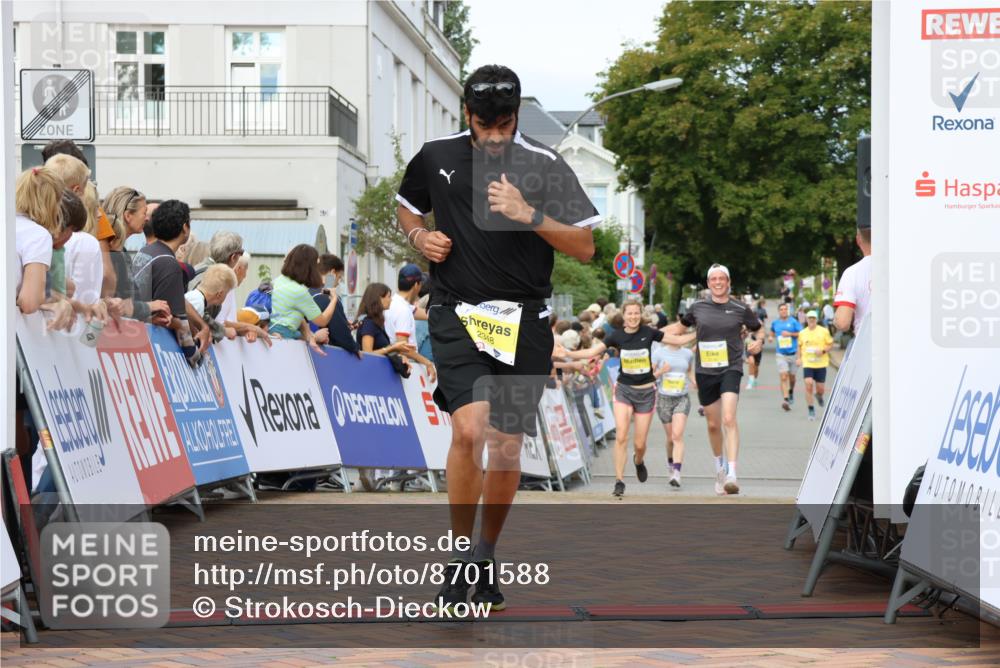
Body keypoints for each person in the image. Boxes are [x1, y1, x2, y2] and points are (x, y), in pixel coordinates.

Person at [396, 64, 599, 611]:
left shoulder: (544, 163)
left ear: (516, 115)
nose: (494, 136)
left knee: (506, 446)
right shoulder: (436, 155)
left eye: (504, 125)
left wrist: (527, 213)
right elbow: (408, 205)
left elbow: (584, 246)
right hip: (456, 314)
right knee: (469, 429)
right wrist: (419, 235)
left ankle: (485, 555)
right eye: (485, 126)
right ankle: (461, 556)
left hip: (524, 322)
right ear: (467, 115)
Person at [564, 300, 693, 497]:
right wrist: (566, 353)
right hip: (624, 390)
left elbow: (677, 340)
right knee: (622, 435)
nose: (632, 317)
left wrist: (704, 333)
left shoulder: (649, 333)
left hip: (646, 393)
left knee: (639, 444)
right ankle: (619, 481)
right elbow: (592, 352)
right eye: (629, 313)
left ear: (640, 314)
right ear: (623, 316)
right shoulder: (616, 335)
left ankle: (638, 461)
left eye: (636, 313)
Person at [663, 264, 763, 496]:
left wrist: (759, 341)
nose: (718, 282)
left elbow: (758, 329)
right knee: (713, 424)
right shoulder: (697, 307)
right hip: (705, 371)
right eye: (714, 279)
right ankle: (719, 467)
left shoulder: (740, 308)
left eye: (722, 279)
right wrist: (650, 333)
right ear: (708, 284)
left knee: (729, 418)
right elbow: (678, 328)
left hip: (731, 367)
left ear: (728, 282)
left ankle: (732, 473)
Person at [133, 200, 209, 367]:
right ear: (185, 227)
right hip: (152, 355)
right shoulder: (169, 264)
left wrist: (202, 326)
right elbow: (177, 323)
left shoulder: (145, 252)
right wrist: (197, 356)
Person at [268, 244, 335, 353]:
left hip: (274, 329)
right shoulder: (299, 291)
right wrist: (334, 300)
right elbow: (322, 321)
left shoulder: (279, 280)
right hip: (285, 335)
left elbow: (295, 313)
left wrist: (310, 337)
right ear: (309, 267)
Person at [651, 330, 697, 488]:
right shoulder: (658, 353)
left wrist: (694, 381)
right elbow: (650, 376)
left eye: (680, 334)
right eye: (674, 334)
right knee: (670, 438)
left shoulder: (687, 353)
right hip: (664, 398)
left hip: (682, 397)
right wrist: (661, 372)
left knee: (677, 435)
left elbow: (689, 370)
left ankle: (677, 472)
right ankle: (670, 462)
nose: (677, 337)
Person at [385, 264, 437, 381]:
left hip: (393, 364)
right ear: (416, 285)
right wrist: (427, 363)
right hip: (402, 369)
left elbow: (423, 313)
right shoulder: (403, 310)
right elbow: (404, 347)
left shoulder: (396, 303)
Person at [310, 253, 357, 353]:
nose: (338, 282)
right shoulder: (330, 299)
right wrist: (355, 347)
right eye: (339, 277)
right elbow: (340, 334)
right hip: (326, 354)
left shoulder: (307, 293)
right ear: (332, 273)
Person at [354, 282, 414, 359]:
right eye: (389, 296)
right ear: (379, 298)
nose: (391, 300)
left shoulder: (376, 322)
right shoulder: (369, 323)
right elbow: (367, 354)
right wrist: (392, 348)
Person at [797, 310, 834, 421]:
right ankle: (811, 409)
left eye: (813, 318)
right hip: (808, 363)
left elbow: (830, 344)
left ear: (816, 319)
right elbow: (799, 346)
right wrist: (799, 358)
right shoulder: (802, 333)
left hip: (821, 363)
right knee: (808, 384)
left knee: (820, 388)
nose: (811, 320)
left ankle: (819, 395)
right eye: (809, 318)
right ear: (807, 319)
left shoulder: (823, 331)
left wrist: (822, 351)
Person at [834, 226, 871, 333]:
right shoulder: (902, 267)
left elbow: (842, 322)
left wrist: (837, 317)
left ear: (858, 239)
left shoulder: (852, 273)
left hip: (867, 343)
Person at [768, 302, 802, 411]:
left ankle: (791, 390)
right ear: (779, 311)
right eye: (781, 309)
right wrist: (770, 337)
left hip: (793, 354)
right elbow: (772, 331)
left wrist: (790, 334)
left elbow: (801, 333)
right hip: (781, 354)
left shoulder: (793, 322)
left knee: (792, 378)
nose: (783, 311)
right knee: (783, 376)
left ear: (787, 310)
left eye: (785, 309)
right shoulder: (775, 323)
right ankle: (786, 400)